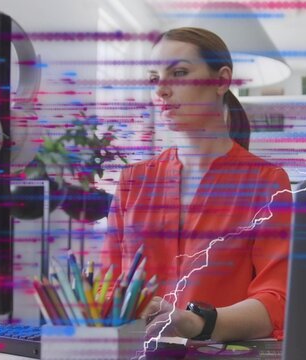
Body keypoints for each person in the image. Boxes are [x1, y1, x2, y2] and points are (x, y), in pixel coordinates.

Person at [101, 27, 293, 343]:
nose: (161, 90)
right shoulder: (132, 181)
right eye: (153, 79)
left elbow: (276, 301)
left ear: (221, 81)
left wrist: (195, 322)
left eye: (178, 73)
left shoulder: (268, 183)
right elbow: (108, 285)